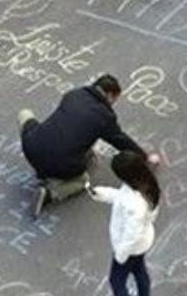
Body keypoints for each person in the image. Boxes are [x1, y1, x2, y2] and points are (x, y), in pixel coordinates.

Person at [19, 73, 160, 218]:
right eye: (115, 100)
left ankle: (44, 165)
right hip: (57, 165)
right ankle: (50, 194)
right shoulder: (104, 117)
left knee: (25, 114)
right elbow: (121, 141)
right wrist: (145, 157)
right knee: (82, 180)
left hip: (31, 147)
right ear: (110, 95)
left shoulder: (73, 94)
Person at [88, 152, 160, 296]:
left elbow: (131, 233)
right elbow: (121, 197)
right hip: (141, 243)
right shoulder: (146, 184)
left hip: (129, 248)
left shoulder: (134, 203)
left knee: (117, 282)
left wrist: (120, 255)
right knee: (140, 273)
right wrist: (102, 194)